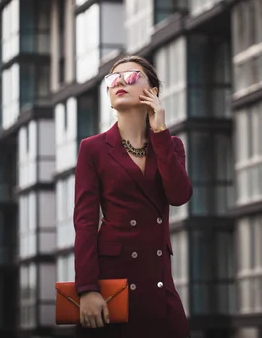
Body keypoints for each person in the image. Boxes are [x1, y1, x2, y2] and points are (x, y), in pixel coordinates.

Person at [72, 55, 192, 338]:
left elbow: (178, 195)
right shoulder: (93, 149)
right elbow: (85, 223)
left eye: (133, 76)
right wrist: (87, 289)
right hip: (112, 280)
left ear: (153, 92)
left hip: (158, 278)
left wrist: (160, 131)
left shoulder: (171, 145)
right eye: (113, 79)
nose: (121, 82)